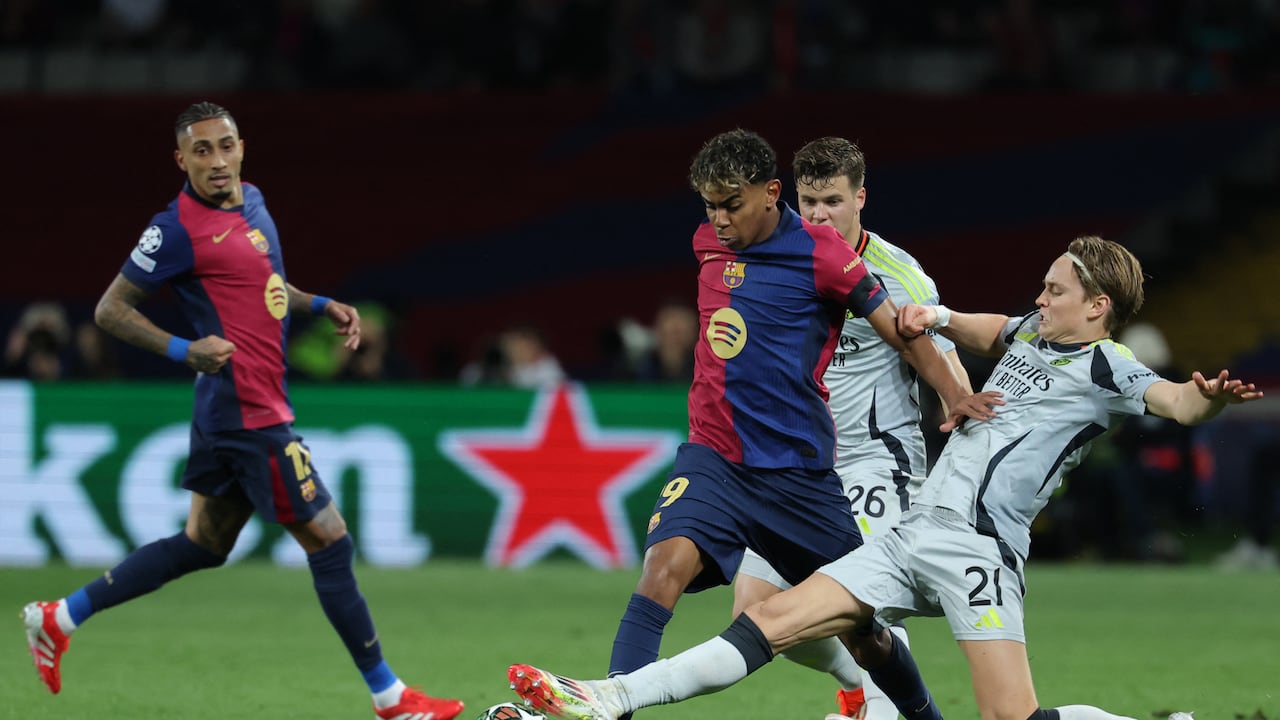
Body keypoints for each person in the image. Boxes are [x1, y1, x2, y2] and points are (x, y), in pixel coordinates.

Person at [505, 235, 1261, 720]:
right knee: (770, 620)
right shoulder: (1032, 331)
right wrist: (932, 316)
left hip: (979, 554)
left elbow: (1175, 402)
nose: (1039, 297)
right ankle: (611, 697)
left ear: (1097, 307)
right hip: (913, 533)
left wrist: (1207, 398)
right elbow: (989, 327)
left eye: (1055, 290)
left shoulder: (1110, 365)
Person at [19, 101, 463, 720]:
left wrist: (317, 304)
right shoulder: (173, 228)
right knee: (329, 542)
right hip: (245, 409)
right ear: (181, 160)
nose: (217, 160)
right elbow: (108, 311)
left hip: (237, 406)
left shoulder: (253, 201)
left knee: (204, 542)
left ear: (242, 147)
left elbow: (265, 286)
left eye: (225, 145)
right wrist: (183, 348)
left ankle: (59, 617)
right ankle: (391, 700)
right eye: (201, 150)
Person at [601, 128, 988, 720]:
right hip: (717, 457)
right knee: (671, 574)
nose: (721, 219)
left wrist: (958, 400)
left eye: (732, 204)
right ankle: (610, 704)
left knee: (863, 620)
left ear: (859, 198)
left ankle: (907, 713)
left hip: (845, 464)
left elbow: (915, 340)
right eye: (711, 206)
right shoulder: (709, 242)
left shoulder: (852, 264)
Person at [731, 137, 971, 720]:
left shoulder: (897, 274)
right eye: (808, 201)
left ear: (860, 198)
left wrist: (962, 406)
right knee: (755, 613)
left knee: (868, 605)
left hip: (876, 463)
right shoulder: (773, 256)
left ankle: (896, 709)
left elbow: (936, 355)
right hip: (801, 466)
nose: (818, 215)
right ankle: (858, 688)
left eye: (833, 201)